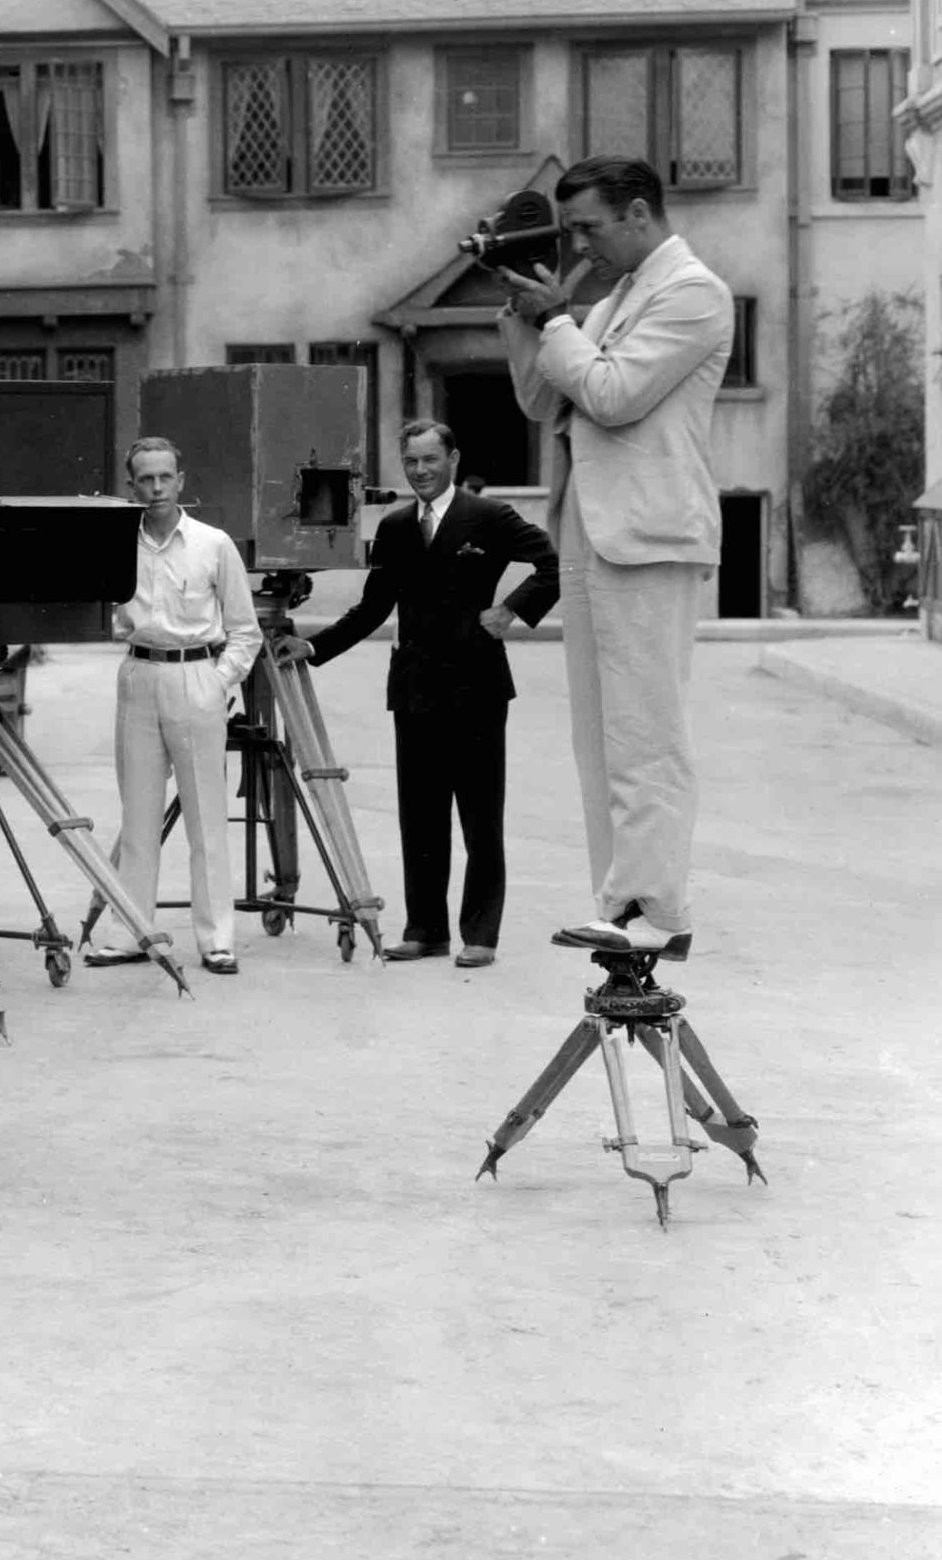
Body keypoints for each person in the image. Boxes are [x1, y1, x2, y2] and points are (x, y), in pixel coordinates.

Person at [497, 155, 733, 960]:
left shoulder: (693, 292)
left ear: (638, 213)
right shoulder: (615, 299)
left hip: (651, 534)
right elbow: (541, 399)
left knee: (647, 732)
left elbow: (611, 396)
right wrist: (528, 316)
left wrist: (560, 320)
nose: (581, 248)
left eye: (589, 228)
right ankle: (621, 903)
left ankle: (659, 909)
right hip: (596, 532)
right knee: (599, 739)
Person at [273, 420, 559, 969]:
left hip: (478, 687)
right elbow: (373, 607)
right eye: (411, 462)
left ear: (453, 458)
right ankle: (425, 930)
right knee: (420, 817)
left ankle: (481, 935)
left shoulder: (488, 516)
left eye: (431, 460)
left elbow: (551, 563)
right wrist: (313, 647)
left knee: (480, 818)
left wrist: (511, 610)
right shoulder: (398, 526)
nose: (421, 471)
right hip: (415, 690)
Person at [86, 436, 264, 977]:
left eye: (166, 477)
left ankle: (216, 940)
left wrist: (217, 681)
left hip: (196, 677)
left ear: (181, 480)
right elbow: (109, 612)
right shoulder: (120, 544)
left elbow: (245, 631)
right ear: (131, 484)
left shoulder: (213, 544)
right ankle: (132, 934)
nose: (157, 488)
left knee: (206, 817)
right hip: (140, 675)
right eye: (146, 478)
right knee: (138, 817)